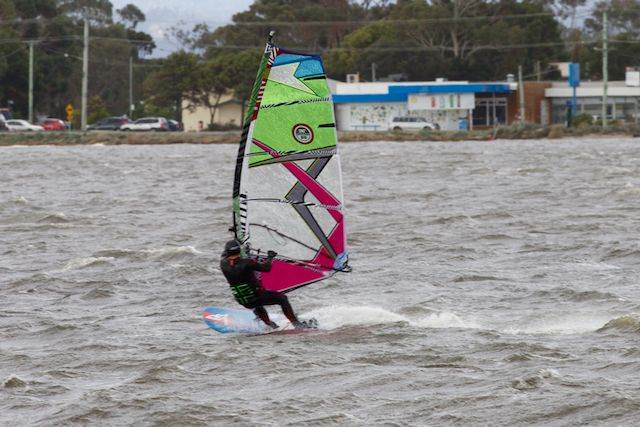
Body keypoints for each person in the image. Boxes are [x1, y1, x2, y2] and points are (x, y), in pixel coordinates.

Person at [220, 239, 314, 330]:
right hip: (256, 296)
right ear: (239, 251)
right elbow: (266, 268)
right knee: (282, 299)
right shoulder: (247, 263)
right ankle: (296, 324)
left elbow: (226, 254)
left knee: (256, 304)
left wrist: (242, 247)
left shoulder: (223, 263)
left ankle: (270, 324)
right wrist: (270, 257)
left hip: (242, 300)